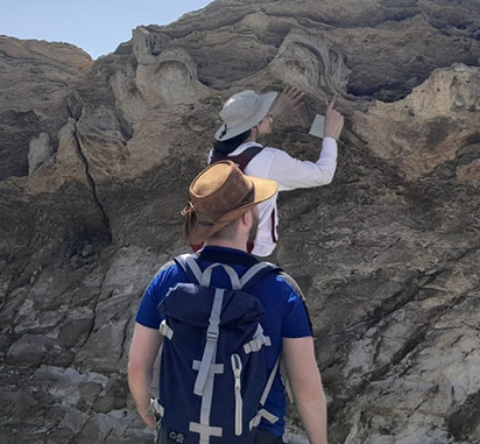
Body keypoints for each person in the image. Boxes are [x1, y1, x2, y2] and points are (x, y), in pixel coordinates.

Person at [128, 161, 327, 444]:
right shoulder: (281, 290)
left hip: (180, 435)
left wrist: (147, 410)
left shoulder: (169, 277)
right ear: (246, 217)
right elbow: (306, 390)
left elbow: (137, 369)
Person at [207, 86, 344, 257]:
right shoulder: (270, 161)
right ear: (255, 125)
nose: (268, 113)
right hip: (253, 252)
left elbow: (248, 139)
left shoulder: (215, 155)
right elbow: (324, 175)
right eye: (264, 113)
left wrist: (271, 115)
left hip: (217, 245)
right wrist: (330, 135)